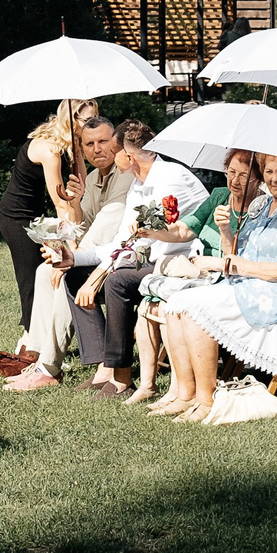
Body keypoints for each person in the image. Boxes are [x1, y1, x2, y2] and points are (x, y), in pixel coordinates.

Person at [152, 153, 277, 422]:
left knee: (195, 309)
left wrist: (243, 268)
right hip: (246, 283)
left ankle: (206, 399)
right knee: (175, 305)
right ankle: (186, 394)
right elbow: (235, 253)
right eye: (268, 171)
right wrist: (224, 230)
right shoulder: (263, 204)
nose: (273, 178)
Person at [70, 121, 207, 399]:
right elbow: (122, 241)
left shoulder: (170, 180)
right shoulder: (139, 183)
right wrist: (72, 257)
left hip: (182, 263)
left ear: (128, 157)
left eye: (112, 150)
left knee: (118, 281)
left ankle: (121, 377)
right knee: (74, 275)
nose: (108, 156)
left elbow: (139, 243)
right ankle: (104, 366)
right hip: (152, 260)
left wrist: (98, 277)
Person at [8, 116, 127, 385]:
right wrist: (74, 202)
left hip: (119, 259)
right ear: (82, 149)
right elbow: (81, 226)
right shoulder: (95, 177)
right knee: (43, 272)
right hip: (97, 255)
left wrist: (68, 260)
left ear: (116, 143)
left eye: (103, 142)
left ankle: (50, 368)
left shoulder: (125, 177)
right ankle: (37, 357)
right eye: (89, 143)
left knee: (64, 278)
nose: (97, 149)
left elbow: (105, 230)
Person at [139, 150, 261, 410]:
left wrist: (217, 256)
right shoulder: (219, 196)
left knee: (171, 304)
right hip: (202, 275)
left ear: (258, 179)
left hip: (227, 279)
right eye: (231, 173)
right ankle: (167, 389)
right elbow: (185, 229)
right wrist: (156, 231)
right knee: (150, 305)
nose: (235, 181)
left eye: (243, 174)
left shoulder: (262, 208)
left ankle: (188, 392)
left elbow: (246, 261)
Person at [0, 101, 93, 332]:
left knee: (47, 271)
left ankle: (48, 335)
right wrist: (70, 245)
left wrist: (78, 150)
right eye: (86, 121)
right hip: (16, 217)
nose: (91, 125)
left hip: (36, 215)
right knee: (31, 275)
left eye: (94, 119)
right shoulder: (50, 150)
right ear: (71, 120)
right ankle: (30, 341)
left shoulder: (69, 144)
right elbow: (60, 203)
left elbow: (83, 187)